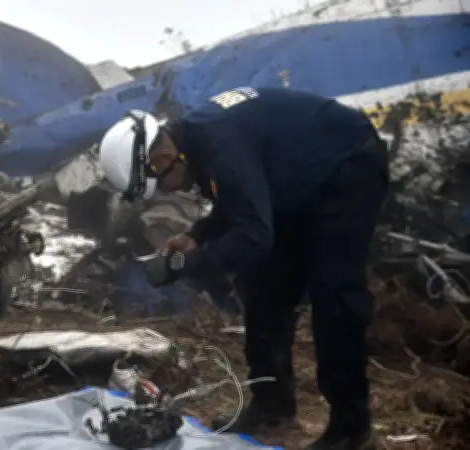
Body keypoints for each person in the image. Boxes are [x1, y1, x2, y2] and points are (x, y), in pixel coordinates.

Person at [97, 87, 389, 450]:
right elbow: (239, 203)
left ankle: (352, 430)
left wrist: (187, 265)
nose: (167, 194)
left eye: (160, 186)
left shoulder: (220, 146)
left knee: (334, 294)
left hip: (347, 167)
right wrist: (196, 236)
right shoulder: (197, 142)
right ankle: (272, 406)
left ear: (163, 158)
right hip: (295, 182)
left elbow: (253, 235)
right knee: (265, 288)